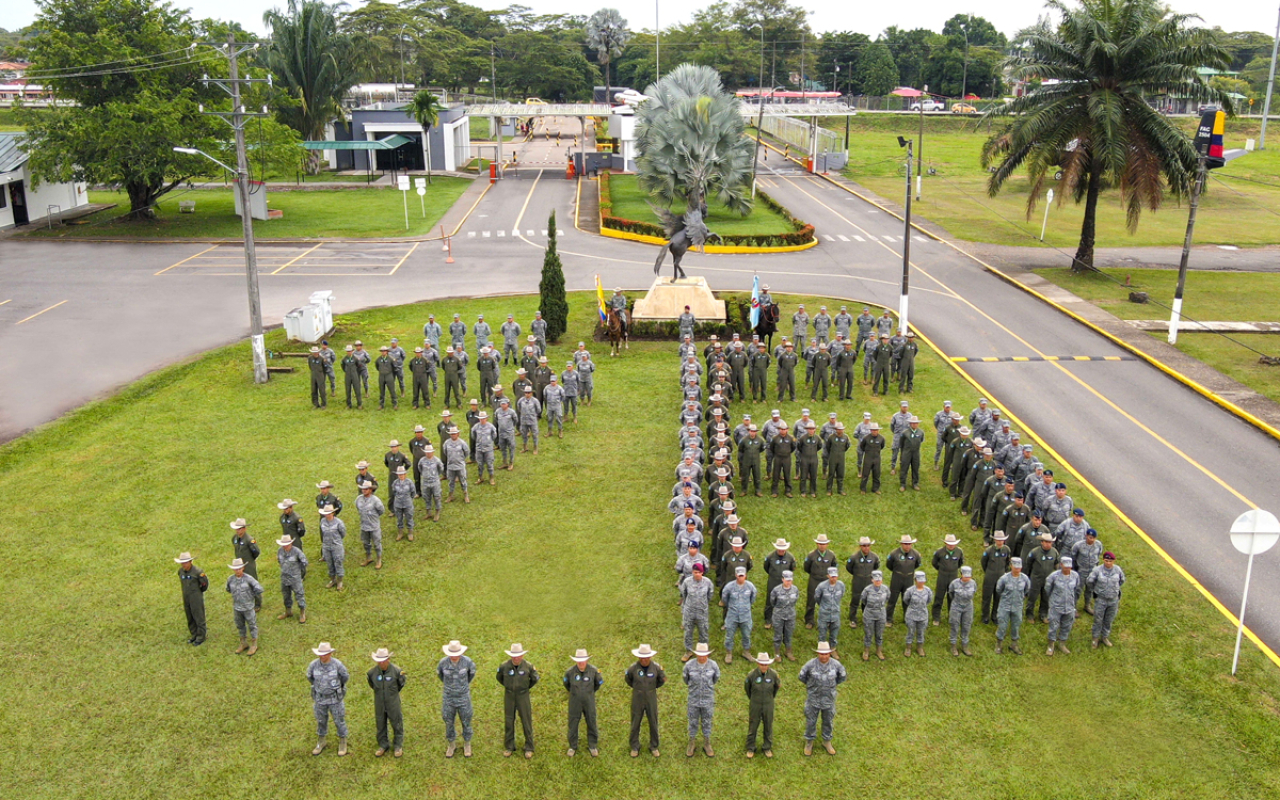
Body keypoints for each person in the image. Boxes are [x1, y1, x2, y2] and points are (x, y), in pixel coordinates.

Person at [798, 641, 846, 756]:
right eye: (821, 654)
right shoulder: (810, 664)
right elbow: (802, 677)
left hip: (828, 699)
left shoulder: (836, 665)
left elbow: (841, 677)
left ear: (829, 653)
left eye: (826, 654)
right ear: (818, 653)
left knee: (828, 721)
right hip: (813, 699)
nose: (824, 656)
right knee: (811, 721)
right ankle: (809, 742)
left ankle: (827, 741)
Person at [307, 642, 350, 756]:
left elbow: (345, 677)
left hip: (335, 699)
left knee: (339, 720)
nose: (323, 656)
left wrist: (336, 688)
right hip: (320, 699)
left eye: (325, 654)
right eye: (321, 654)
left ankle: (342, 741)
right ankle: (321, 741)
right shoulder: (313, 665)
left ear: (330, 653)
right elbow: (310, 677)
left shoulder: (337, 665)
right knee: (321, 720)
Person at [498, 642, 539, 758]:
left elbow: (534, 679)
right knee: (509, 720)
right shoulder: (504, 666)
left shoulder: (528, 666)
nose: (516, 658)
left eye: (518, 655)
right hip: (509, 695)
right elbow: (499, 678)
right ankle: (509, 746)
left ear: (522, 655)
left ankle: (529, 747)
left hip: (523, 696)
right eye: (514, 656)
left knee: (526, 720)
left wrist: (524, 688)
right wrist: (509, 687)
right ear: (511, 655)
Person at [625, 643, 666, 758]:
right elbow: (628, 679)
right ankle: (634, 746)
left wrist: (651, 689)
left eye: (646, 657)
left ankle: (654, 746)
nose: (644, 659)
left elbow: (661, 680)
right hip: (637, 698)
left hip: (651, 698)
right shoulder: (633, 668)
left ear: (650, 656)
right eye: (642, 657)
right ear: (638, 657)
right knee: (635, 722)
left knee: (653, 721)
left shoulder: (657, 668)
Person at [437, 640, 476, 757]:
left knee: (466, 720)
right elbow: (440, 675)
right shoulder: (443, 663)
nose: (454, 656)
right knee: (448, 721)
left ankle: (467, 744)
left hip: (463, 697)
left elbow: (471, 675)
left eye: (456, 654)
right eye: (451, 654)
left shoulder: (468, 662)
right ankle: (451, 744)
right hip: (449, 698)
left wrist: (462, 687)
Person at [682, 642, 721, 757]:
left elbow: (716, 678)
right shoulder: (689, 665)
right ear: (696, 654)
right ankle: (692, 743)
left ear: (708, 655)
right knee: (692, 721)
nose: (702, 657)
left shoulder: (713, 665)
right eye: (699, 654)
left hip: (707, 700)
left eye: (704, 654)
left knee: (707, 721)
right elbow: (685, 679)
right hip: (693, 700)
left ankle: (707, 743)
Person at [368, 646, 407, 757]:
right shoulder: (372, 673)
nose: (381, 663)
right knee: (380, 724)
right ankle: (383, 745)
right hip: (379, 702)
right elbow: (372, 684)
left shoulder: (397, 672)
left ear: (388, 660)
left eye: (383, 661)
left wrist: (392, 694)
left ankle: (398, 746)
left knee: (397, 723)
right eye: (379, 661)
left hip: (393, 702)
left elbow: (401, 684)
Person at [564, 648, 603, 757]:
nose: (581, 663)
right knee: (573, 723)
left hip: (589, 701)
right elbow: (567, 685)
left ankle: (592, 745)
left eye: (583, 660)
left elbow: (597, 684)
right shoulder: (570, 672)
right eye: (579, 660)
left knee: (591, 721)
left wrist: (589, 693)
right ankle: (572, 746)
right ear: (576, 660)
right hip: (574, 701)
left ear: (587, 660)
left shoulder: (594, 671)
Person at [744, 651, 779, 758]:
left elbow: (776, 688)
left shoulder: (773, 675)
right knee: (753, 726)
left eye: (766, 664)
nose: (764, 666)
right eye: (762, 664)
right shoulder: (751, 675)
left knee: (768, 725)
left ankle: (767, 747)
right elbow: (747, 689)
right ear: (758, 664)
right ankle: (751, 747)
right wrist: (754, 699)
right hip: (755, 704)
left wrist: (769, 698)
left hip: (768, 704)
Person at [1087, 552, 1126, 648]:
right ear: (1103, 560)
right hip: (1101, 599)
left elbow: (1122, 580)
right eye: (1106, 560)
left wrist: (1114, 590)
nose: (1108, 563)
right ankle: (1095, 639)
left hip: (1113, 600)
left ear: (1114, 561)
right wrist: (1096, 590)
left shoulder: (1117, 570)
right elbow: (1089, 581)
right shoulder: (1097, 570)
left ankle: (1104, 637)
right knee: (1098, 620)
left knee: (1109, 620)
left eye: (1110, 561)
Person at [226, 557, 263, 656]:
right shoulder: (230, 579)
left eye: (239, 568)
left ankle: (254, 644)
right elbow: (228, 589)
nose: (237, 570)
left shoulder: (249, 579)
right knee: (240, 625)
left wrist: (251, 596)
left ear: (243, 568)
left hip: (248, 607)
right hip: (237, 607)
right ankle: (243, 643)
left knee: (252, 625)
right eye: (235, 569)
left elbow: (259, 588)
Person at [1045, 557, 1081, 655]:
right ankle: (1051, 645)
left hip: (1069, 606)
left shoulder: (1075, 576)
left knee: (1067, 626)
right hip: (1056, 606)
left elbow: (1077, 588)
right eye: (1065, 567)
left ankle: (1062, 644)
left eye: (1069, 567)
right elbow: (1048, 588)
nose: (1067, 569)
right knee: (1053, 626)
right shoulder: (1054, 576)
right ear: (1061, 565)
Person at [995, 558, 1031, 654]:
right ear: (1011, 566)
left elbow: (1027, 590)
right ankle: (999, 644)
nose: (1017, 570)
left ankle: (1014, 644)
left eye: (1019, 568)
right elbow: (999, 589)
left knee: (1016, 626)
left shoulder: (1025, 578)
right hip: (1005, 606)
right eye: (1015, 567)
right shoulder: (1004, 578)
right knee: (1002, 625)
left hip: (1017, 606)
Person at [680, 562, 715, 661]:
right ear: (692, 572)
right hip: (689, 611)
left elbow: (710, 594)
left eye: (699, 572)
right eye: (695, 572)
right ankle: (688, 651)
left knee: (703, 632)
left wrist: (703, 604)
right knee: (688, 632)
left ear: (702, 573)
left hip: (702, 612)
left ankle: (703, 651)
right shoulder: (687, 582)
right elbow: (684, 594)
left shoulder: (708, 582)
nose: (697, 574)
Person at [802, 534, 838, 629]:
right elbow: (806, 567)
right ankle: (809, 620)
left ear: (827, 544)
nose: (822, 545)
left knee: (827, 601)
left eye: (824, 544)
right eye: (820, 544)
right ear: (817, 544)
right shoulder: (811, 555)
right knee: (811, 600)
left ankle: (827, 620)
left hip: (826, 580)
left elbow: (834, 566)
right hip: (814, 579)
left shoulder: (831, 555)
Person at [174, 551, 208, 646]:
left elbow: (204, 584)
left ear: (190, 562)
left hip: (195, 596)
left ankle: (201, 636)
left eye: (185, 562)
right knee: (189, 615)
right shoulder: (181, 572)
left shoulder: (198, 572)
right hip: (186, 596)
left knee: (198, 615)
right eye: (182, 563)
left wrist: (198, 592)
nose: (184, 565)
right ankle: (194, 634)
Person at [845, 536, 879, 629]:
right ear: (860, 546)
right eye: (864, 546)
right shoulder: (854, 557)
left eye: (868, 546)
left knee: (868, 601)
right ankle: (853, 619)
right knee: (855, 600)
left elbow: (876, 567)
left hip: (869, 582)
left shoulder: (874, 557)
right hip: (857, 582)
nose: (866, 548)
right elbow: (849, 567)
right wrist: (857, 575)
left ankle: (867, 618)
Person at [931, 534, 964, 625]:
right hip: (942, 577)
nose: (951, 545)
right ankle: (936, 617)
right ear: (945, 543)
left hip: (953, 577)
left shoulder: (959, 552)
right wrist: (942, 569)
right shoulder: (939, 552)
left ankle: (952, 616)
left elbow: (960, 563)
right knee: (939, 597)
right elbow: (934, 563)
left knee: (952, 597)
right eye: (949, 544)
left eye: (953, 543)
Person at [762, 538, 796, 627]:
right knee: (770, 600)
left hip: (785, 583)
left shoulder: (790, 557)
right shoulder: (770, 557)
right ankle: (768, 620)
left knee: (785, 600)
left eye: (783, 548)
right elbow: (766, 567)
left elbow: (792, 568)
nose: (781, 550)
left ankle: (783, 619)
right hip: (773, 580)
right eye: (779, 548)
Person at [981, 531, 1013, 624]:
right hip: (990, 576)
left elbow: (1008, 562)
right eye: (998, 540)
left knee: (998, 597)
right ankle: (985, 616)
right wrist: (988, 571)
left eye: (1002, 540)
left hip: (1001, 576)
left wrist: (1005, 572)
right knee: (987, 597)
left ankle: (995, 616)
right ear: (995, 540)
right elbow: (983, 562)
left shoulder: (1006, 550)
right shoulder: (989, 550)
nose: (1000, 542)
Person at [275, 534, 308, 624]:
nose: (285, 546)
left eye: (287, 544)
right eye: (283, 544)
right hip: (285, 578)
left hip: (295, 578)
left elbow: (304, 562)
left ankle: (302, 613)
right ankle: (288, 611)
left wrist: (299, 573)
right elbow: (279, 561)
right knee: (286, 595)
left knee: (299, 595)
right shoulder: (280, 551)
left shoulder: (297, 551)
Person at [814, 567, 846, 655]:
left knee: (834, 633)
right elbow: (817, 598)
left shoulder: (841, 585)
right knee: (822, 632)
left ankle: (833, 649)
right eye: (832, 576)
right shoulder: (821, 586)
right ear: (828, 576)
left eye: (835, 576)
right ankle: (822, 650)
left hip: (835, 613)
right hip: (824, 613)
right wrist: (824, 606)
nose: (834, 578)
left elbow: (842, 594)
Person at [859, 570, 890, 661]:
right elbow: (863, 600)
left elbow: (887, 598)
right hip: (869, 614)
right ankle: (866, 651)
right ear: (872, 580)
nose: (878, 582)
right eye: (876, 580)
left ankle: (879, 651)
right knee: (868, 634)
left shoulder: (885, 589)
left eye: (879, 580)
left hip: (881, 614)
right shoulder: (867, 590)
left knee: (879, 634)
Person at [355, 482, 386, 570]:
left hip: (374, 526)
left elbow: (381, 510)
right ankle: (368, 557)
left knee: (376, 543)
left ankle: (379, 559)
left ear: (371, 490)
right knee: (366, 543)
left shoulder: (376, 500)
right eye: (363, 489)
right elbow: (358, 508)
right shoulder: (359, 499)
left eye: (366, 489)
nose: (364, 491)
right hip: (364, 526)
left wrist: (373, 517)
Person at [948, 566, 978, 656]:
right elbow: (951, 593)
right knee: (954, 625)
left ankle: (965, 646)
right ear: (961, 575)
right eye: (965, 576)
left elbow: (974, 592)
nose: (967, 578)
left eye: (969, 576)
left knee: (966, 625)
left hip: (968, 607)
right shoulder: (954, 583)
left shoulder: (973, 583)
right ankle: (953, 645)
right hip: (956, 606)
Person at [902, 571, 932, 657]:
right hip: (911, 614)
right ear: (915, 580)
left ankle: (920, 647)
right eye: (919, 581)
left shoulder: (927, 591)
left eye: (923, 581)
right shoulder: (910, 591)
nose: (921, 583)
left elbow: (929, 600)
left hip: (923, 615)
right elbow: (906, 600)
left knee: (921, 632)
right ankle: (908, 647)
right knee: (910, 631)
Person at [318, 504, 345, 591]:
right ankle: (332, 580)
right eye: (326, 513)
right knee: (330, 563)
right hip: (326, 546)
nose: (327, 515)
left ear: (333, 513)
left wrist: (336, 541)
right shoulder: (322, 521)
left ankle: (340, 581)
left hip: (336, 546)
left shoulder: (339, 522)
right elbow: (322, 533)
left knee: (338, 562)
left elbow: (343, 533)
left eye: (329, 513)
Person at [442, 426, 470, 504]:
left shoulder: (462, 443)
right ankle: (451, 495)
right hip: (450, 466)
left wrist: (461, 459)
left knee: (463, 480)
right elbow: (445, 452)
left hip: (460, 466)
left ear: (458, 434)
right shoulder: (446, 443)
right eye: (451, 434)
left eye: (454, 433)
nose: (453, 435)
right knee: (451, 481)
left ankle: (465, 495)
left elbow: (466, 452)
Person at [768, 421, 795, 497]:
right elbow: (771, 447)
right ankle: (774, 491)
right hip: (777, 458)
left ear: (787, 430)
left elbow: (793, 447)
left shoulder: (790, 438)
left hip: (787, 458)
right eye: (781, 429)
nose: (783, 431)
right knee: (776, 474)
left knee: (787, 474)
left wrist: (787, 452)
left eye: (784, 429)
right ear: (779, 430)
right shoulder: (775, 438)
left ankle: (788, 491)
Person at [898, 416, 925, 491]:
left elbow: (921, 440)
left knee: (915, 468)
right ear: (910, 423)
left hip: (916, 452)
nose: (915, 425)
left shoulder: (921, 432)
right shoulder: (905, 433)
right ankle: (902, 484)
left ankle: (915, 483)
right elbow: (901, 443)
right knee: (904, 468)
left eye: (916, 423)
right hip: (906, 452)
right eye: (913, 423)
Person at [825, 422, 851, 496]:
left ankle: (840, 489)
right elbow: (828, 447)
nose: (840, 431)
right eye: (838, 429)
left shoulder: (845, 437)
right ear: (836, 429)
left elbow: (847, 446)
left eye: (841, 429)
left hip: (841, 458)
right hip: (833, 458)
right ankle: (829, 490)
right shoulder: (831, 437)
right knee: (831, 474)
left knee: (840, 474)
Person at [858, 422, 885, 494]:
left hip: (877, 458)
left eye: (876, 430)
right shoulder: (866, 438)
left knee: (876, 474)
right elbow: (862, 446)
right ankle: (863, 489)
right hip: (868, 458)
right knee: (865, 474)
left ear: (878, 430)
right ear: (870, 430)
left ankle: (875, 488)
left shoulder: (881, 438)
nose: (874, 431)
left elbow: (882, 446)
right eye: (873, 430)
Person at [517, 387, 541, 454]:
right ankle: (525, 447)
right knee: (524, 434)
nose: (527, 394)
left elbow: (538, 410)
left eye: (529, 393)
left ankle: (535, 448)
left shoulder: (535, 401)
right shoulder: (521, 400)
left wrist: (533, 415)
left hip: (532, 420)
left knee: (535, 434)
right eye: (526, 393)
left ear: (531, 393)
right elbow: (519, 408)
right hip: (524, 420)